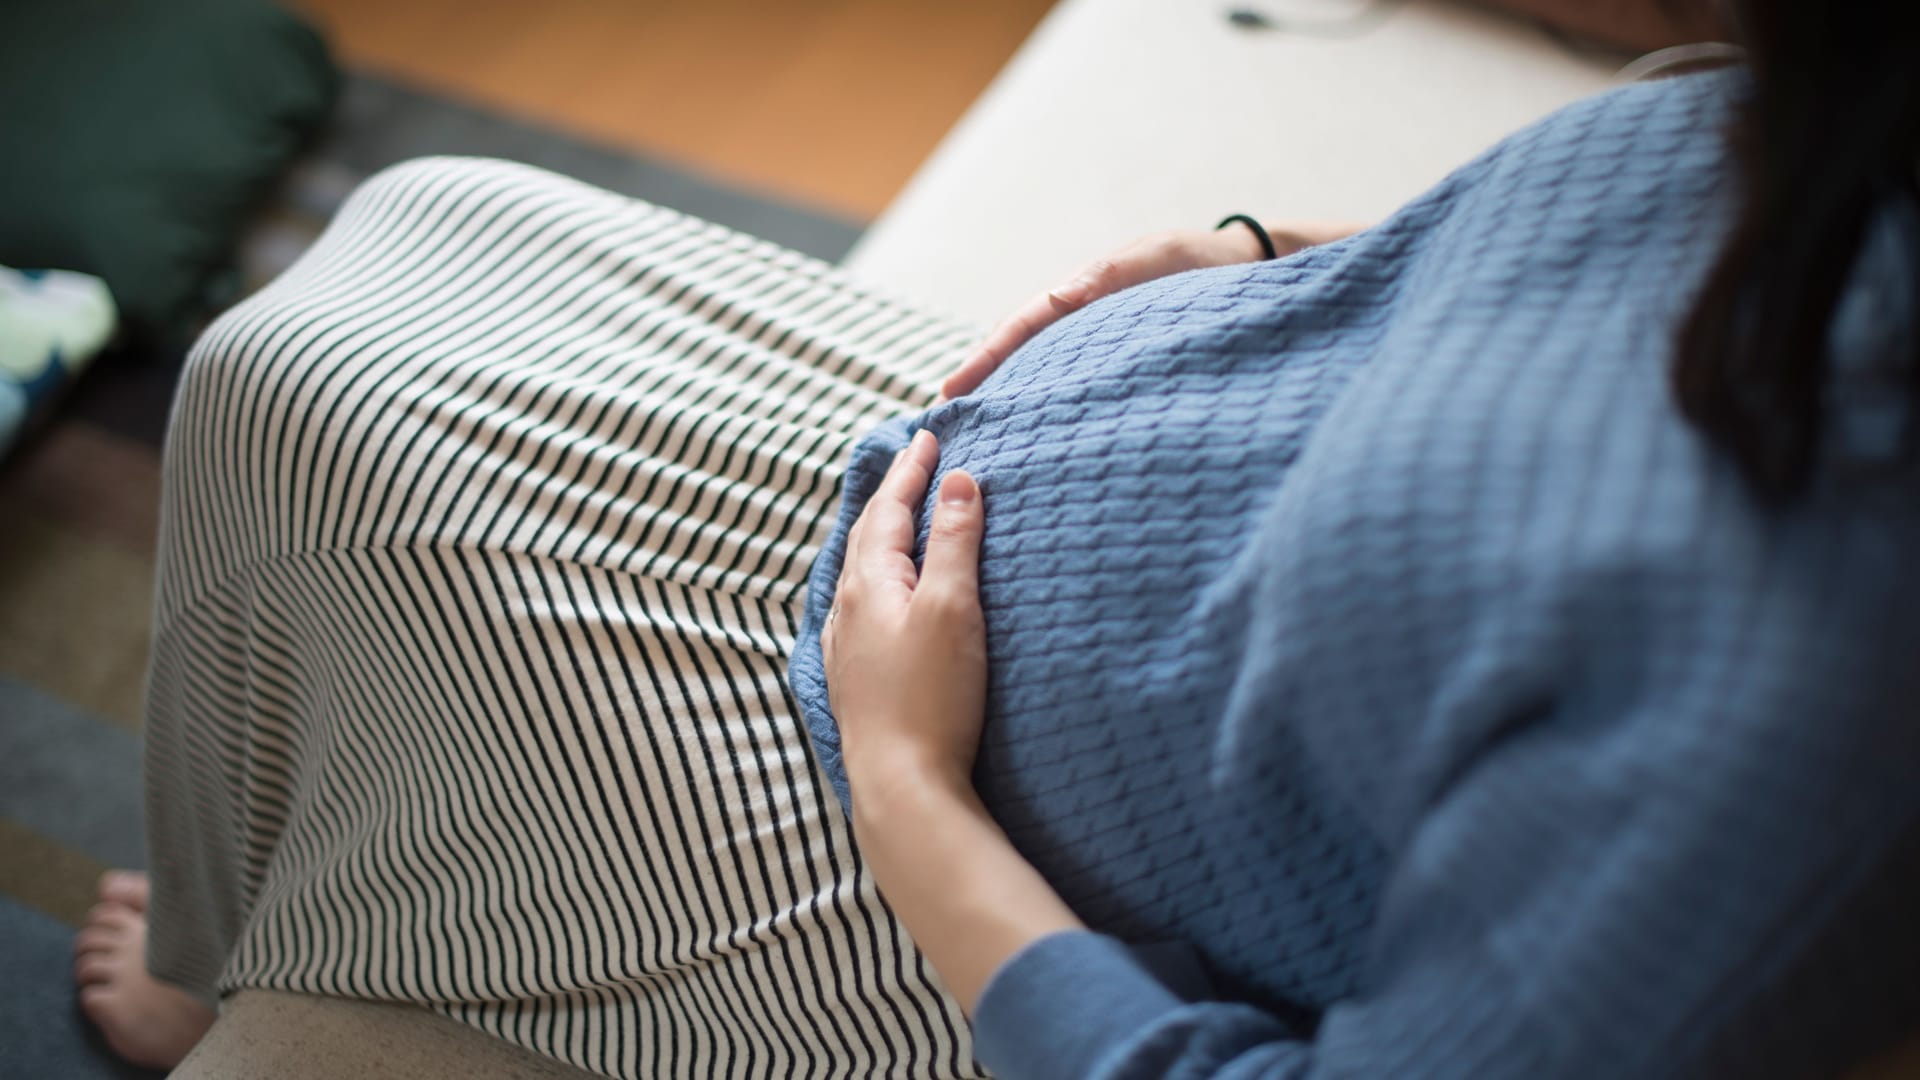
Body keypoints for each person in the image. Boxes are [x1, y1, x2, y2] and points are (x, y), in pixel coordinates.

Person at [76, 0, 1918, 1076]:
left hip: (959, 861)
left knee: (305, 407)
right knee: (391, 260)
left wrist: (909, 788)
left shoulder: (1814, 728)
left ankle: (222, 963)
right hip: (954, 504)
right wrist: (1285, 261)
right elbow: (1597, 262)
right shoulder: (1854, 132)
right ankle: (241, 898)